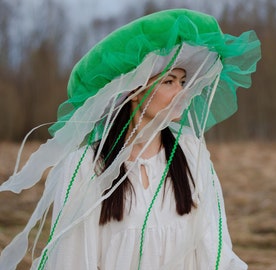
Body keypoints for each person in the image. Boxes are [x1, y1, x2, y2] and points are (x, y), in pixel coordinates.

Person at [0, 9, 261, 270]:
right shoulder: (86, 167)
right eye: (169, 81)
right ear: (135, 90)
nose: (182, 91)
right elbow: (73, 258)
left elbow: (214, 248)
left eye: (182, 81)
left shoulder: (192, 155)